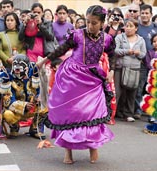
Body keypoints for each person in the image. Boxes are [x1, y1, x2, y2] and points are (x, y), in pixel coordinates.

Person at [37, 5, 115, 164]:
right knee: (71, 114)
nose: (90, 26)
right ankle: (68, 152)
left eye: (94, 23)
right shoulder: (78, 35)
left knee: (93, 114)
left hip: (93, 78)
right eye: (88, 22)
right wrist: (45, 60)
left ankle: (93, 148)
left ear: (102, 24)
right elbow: (61, 49)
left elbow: (112, 55)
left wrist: (111, 70)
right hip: (73, 76)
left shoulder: (107, 39)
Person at [0, 54, 47, 139]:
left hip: (32, 107)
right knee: (7, 114)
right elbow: (8, 101)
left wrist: (38, 97)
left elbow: (39, 91)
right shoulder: (8, 78)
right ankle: (14, 127)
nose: (17, 68)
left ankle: (35, 128)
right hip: (16, 111)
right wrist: (24, 105)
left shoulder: (33, 75)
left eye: (20, 65)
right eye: (15, 65)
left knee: (45, 108)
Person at [114, 18, 146, 122]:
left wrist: (138, 53)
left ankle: (128, 113)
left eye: (131, 26)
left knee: (131, 92)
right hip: (120, 67)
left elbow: (143, 54)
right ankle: (115, 112)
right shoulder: (119, 37)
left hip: (134, 68)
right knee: (118, 92)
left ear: (136, 28)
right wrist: (127, 51)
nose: (128, 28)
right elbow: (115, 50)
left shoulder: (141, 40)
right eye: (126, 26)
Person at [135, 4, 157, 121]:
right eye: (143, 13)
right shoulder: (137, 27)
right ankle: (138, 110)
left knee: (153, 88)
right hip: (140, 62)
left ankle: (152, 111)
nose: (144, 15)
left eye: (147, 13)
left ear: (151, 14)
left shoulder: (156, 27)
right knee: (139, 88)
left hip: (155, 63)